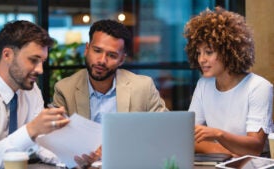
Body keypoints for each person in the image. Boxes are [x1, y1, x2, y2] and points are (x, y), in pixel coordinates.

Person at [52, 19, 168, 167]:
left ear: (121, 60)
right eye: (97, 50)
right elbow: (57, 141)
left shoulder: (143, 86)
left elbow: (164, 131)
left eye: (112, 55)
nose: (101, 60)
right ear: (87, 49)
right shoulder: (64, 89)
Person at [0, 20, 70, 169]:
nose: (40, 70)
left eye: (42, 62)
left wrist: (73, 158)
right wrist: (31, 129)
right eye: (33, 60)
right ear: (7, 55)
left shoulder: (31, 91)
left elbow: (40, 144)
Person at [184, 7, 273, 157]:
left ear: (229, 51)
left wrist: (218, 134)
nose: (201, 59)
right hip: (221, 162)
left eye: (209, 52)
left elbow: (254, 148)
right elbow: (187, 138)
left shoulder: (259, 87)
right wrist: (227, 153)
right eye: (199, 53)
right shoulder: (203, 85)